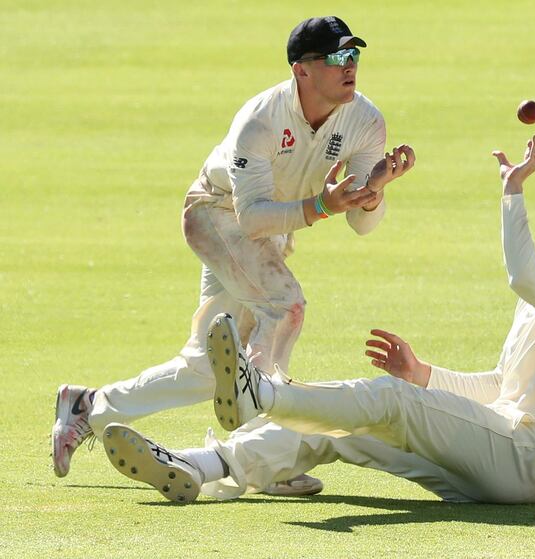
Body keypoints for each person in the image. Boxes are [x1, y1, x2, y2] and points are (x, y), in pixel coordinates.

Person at [98, 134, 535, 504]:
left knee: (386, 401)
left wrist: (513, 191)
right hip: (503, 455)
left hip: (530, 461)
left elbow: (521, 276)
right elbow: (503, 387)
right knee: (346, 429)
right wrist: (424, 374)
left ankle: (259, 395)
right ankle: (202, 468)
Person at [51, 15, 415, 497]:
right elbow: (252, 219)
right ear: (301, 69)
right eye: (335, 58)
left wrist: (373, 194)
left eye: (353, 56)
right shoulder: (261, 119)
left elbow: (363, 223)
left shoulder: (365, 119)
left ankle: (89, 405)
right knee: (286, 306)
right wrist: (324, 204)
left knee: (205, 369)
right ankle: (266, 454)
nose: (349, 67)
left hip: (271, 232)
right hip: (216, 213)